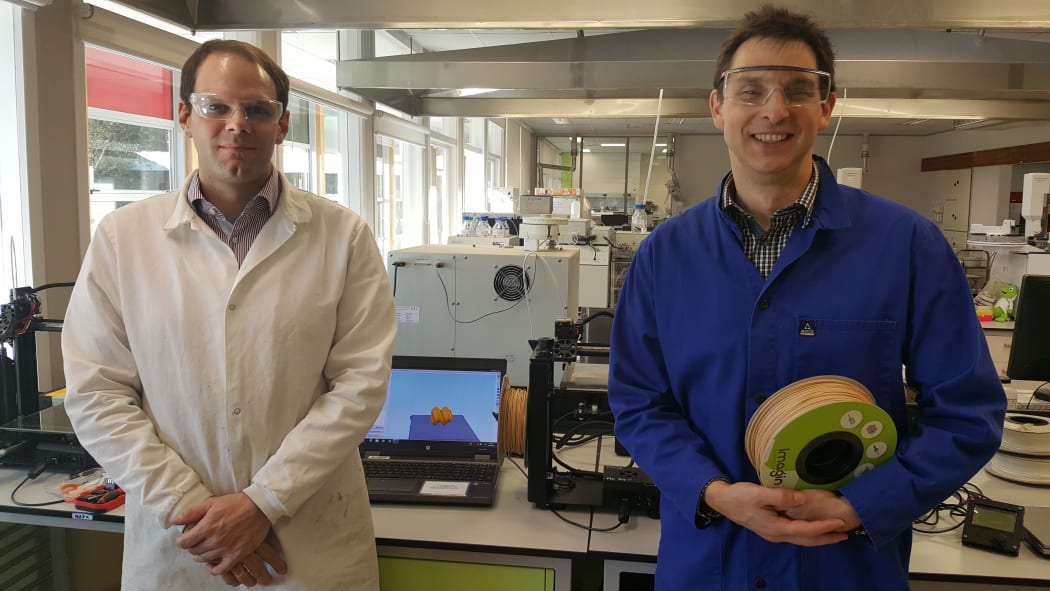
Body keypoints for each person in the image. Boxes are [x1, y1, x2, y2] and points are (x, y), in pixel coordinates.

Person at [607, 6, 1005, 590]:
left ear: (826, 107)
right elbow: (640, 404)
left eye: (798, 90)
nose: (774, 110)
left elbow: (967, 412)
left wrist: (863, 505)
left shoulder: (907, 246)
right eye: (750, 90)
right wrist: (713, 492)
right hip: (709, 564)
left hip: (846, 565)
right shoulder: (664, 255)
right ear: (718, 107)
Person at [62, 39, 396, 590]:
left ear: (282, 125)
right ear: (185, 116)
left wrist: (265, 502)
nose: (236, 124)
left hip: (307, 544)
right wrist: (192, 507)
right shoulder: (123, 240)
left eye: (257, 110)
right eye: (215, 106)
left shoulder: (344, 237)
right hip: (184, 545)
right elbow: (96, 392)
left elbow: (361, 385)